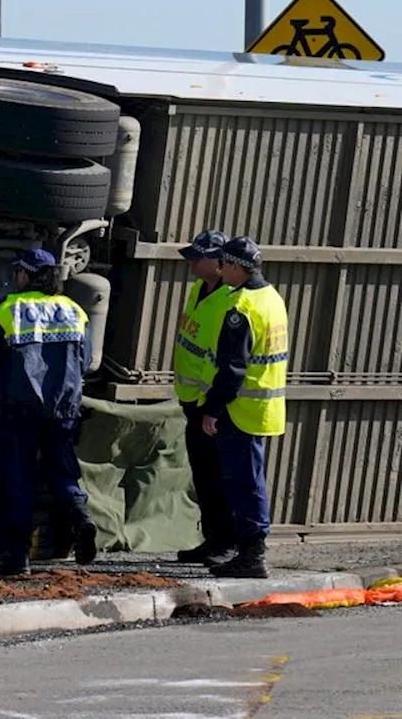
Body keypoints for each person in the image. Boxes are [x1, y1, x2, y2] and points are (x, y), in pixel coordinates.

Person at [0, 248, 97, 576]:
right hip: (64, 407)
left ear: (25, 274)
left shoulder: (10, 310)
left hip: (20, 408)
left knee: (20, 478)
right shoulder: (74, 311)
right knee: (63, 472)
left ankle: (17, 557)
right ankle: (81, 517)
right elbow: (86, 360)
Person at [200, 236, 288, 579]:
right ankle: (249, 551)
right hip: (263, 406)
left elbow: (233, 367)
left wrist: (213, 408)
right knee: (249, 480)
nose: (220, 270)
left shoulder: (242, 309)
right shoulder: (272, 298)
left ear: (237, 267)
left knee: (245, 482)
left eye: (224, 264)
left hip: (242, 410)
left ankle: (252, 554)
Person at [171, 230, 237, 567]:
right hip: (192, 399)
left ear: (221, 261)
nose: (193, 263)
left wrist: (214, 404)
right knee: (204, 476)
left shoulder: (230, 300)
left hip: (213, 403)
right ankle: (212, 539)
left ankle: (226, 543)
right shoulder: (200, 289)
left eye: (200, 257)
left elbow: (230, 360)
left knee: (220, 476)